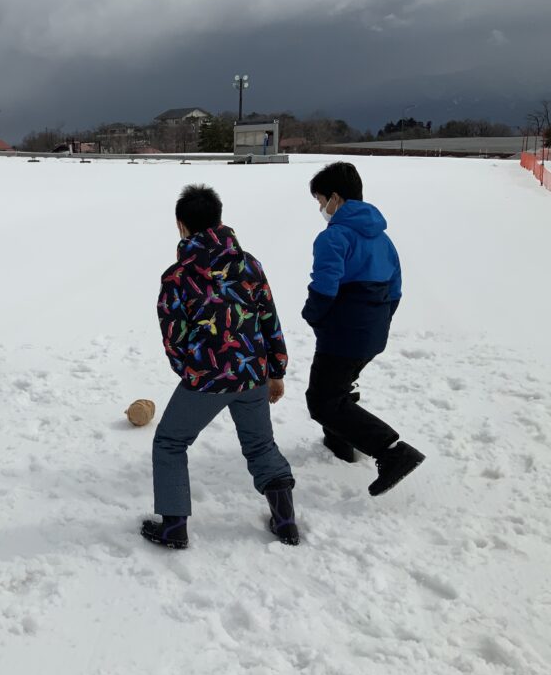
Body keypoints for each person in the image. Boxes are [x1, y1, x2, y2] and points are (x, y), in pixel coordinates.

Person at [142, 184, 299, 550]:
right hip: (251, 375)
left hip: (207, 378)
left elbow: (173, 335)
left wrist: (191, 371)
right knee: (260, 445)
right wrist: (275, 370)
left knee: (169, 443)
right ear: (220, 220)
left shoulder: (177, 277)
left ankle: (173, 527)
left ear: (181, 225)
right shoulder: (249, 264)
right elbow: (269, 320)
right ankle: (286, 520)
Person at [303, 161, 424, 495]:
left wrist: (313, 316)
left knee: (322, 401)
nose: (321, 208)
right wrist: (376, 322)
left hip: (343, 334)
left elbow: (325, 287)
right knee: (337, 388)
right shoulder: (383, 239)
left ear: (336, 199)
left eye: (320, 200)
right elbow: (396, 290)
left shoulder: (334, 237)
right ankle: (339, 443)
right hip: (372, 332)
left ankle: (391, 451)